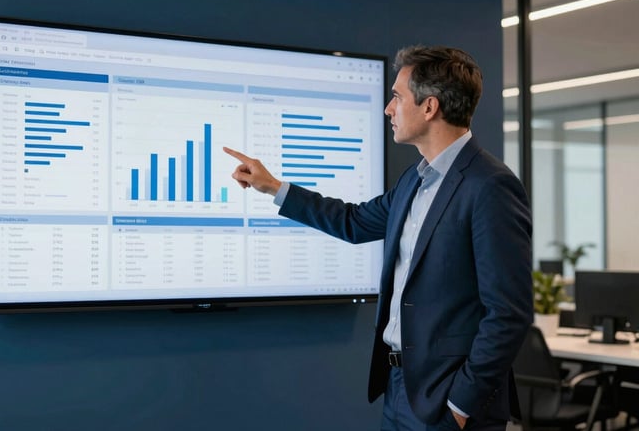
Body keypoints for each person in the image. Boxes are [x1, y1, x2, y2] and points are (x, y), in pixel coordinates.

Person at [223, 45, 533, 430]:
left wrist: (460, 404)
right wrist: (273, 186)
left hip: (449, 402)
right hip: (399, 388)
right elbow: (353, 222)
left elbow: (509, 312)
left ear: (429, 107)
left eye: (397, 97)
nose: (388, 108)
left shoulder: (490, 186)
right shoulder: (414, 181)